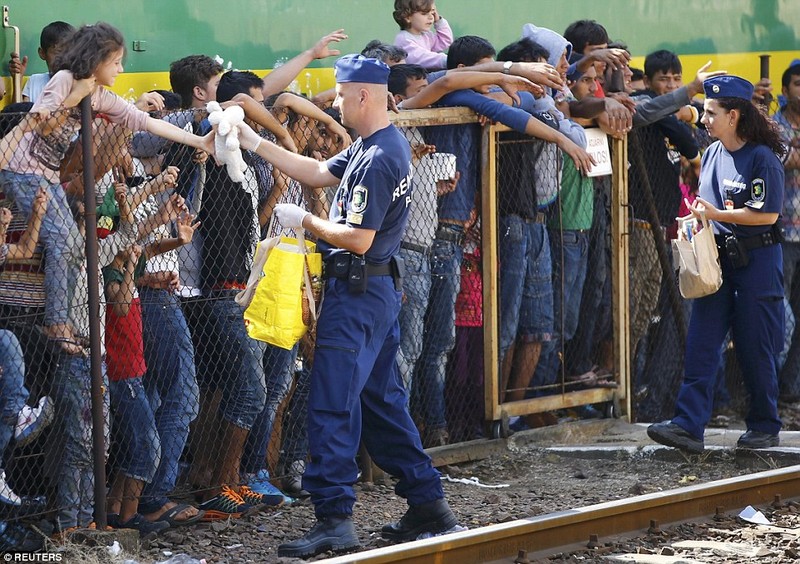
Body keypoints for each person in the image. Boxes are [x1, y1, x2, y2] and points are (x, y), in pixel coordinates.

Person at [234, 54, 461, 558]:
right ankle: (427, 503)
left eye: (339, 94)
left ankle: (334, 518)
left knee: (332, 404)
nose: (334, 103)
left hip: (357, 295)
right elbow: (315, 171)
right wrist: (254, 142)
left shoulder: (379, 159)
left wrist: (305, 223)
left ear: (362, 95)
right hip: (374, 295)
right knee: (382, 405)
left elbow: (358, 239)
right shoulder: (376, 145)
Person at [0, 22, 213, 354]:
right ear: (95, 59)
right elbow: (41, 122)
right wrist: (77, 95)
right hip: (21, 170)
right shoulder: (65, 80)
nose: (121, 68)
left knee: (71, 244)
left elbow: (146, 122)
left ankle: (63, 321)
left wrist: (199, 139)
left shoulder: (101, 96)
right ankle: (58, 324)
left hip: (46, 175)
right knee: (61, 240)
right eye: (115, 62)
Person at [648, 75, 787, 452]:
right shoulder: (710, 154)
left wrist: (718, 213)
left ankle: (763, 423)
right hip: (717, 261)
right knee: (702, 341)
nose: (703, 119)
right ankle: (688, 426)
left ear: (735, 115)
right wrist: (700, 216)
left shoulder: (761, 158)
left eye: (711, 113)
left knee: (754, 343)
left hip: (756, 260)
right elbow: (709, 207)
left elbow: (767, 215)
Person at [773, 60, 800, 400]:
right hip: (781, 234)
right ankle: (767, 387)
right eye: (797, 84)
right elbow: (782, 157)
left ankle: (790, 389)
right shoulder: (774, 125)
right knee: (781, 318)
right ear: (784, 90)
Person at [8, 21, 75, 103]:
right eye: (58, 52)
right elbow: (19, 112)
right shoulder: (35, 81)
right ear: (42, 53)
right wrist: (18, 79)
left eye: (70, 53)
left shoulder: (79, 83)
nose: (65, 59)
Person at [392, 0, 452, 70]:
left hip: (423, 75)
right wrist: (448, 60)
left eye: (432, 13)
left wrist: (438, 21)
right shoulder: (404, 39)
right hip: (411, 78)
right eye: (424, 13)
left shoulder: (426, 35)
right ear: (407, 17)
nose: (431, 17)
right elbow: (421, 57)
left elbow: (445, 41)